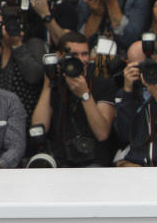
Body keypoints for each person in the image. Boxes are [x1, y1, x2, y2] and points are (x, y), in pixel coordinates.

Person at [31, 32, 116, 167]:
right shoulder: (54, 85)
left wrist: (85, 94)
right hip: (59, 160)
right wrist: (48, 84)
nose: (81, 60)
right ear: (59, 56)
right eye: (74, 55)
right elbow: (39, 128)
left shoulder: (103, 85)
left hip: (93, 161)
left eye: (85, 54)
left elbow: (102, 133)